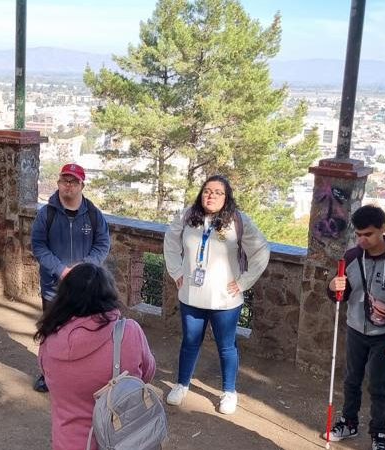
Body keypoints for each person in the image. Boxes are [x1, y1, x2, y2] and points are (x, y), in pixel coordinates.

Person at [162, 174, 270, 415]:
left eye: (218, 192)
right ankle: (181, 384)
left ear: (227, 197)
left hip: (225, 299)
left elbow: (261, 250)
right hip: (191, 295)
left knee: (226, 346)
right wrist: (176, 270)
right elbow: (170, 240)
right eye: (207, 191)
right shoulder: (189, 216)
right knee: (190, 342)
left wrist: (243, 283)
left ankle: (229, 391)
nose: (211, 196)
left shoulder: (237, 221)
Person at [326, 205, 385, 450]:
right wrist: (332, 287)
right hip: (356, 329)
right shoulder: (351, 258)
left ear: (383, 229)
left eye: (367, 234)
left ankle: (379, 433)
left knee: (377, 386)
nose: (362, 240)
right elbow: (341, 295)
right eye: (358, 234)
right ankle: (349, 421)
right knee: (351, 380)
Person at [36, 263, 155, 450]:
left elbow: (46, 374)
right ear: (109, 294)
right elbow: (146, 374)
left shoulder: (49, 339)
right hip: (121, 440)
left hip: (68, 442)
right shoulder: (129, 332)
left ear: (65, 297)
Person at [31, 163, 111, 392]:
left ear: (82, 185)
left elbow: (103, 244)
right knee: (51, 331)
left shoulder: (94, 215)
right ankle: (47, 374)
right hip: (54, 286)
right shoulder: (46, 214)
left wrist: (83, 268)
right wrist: (61, 270)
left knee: (85, 331)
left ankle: (80, 373)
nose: (68, 185)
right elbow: (39, 246)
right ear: (58, 183)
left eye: (73, 181)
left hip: (86, 288)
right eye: (65, 180)